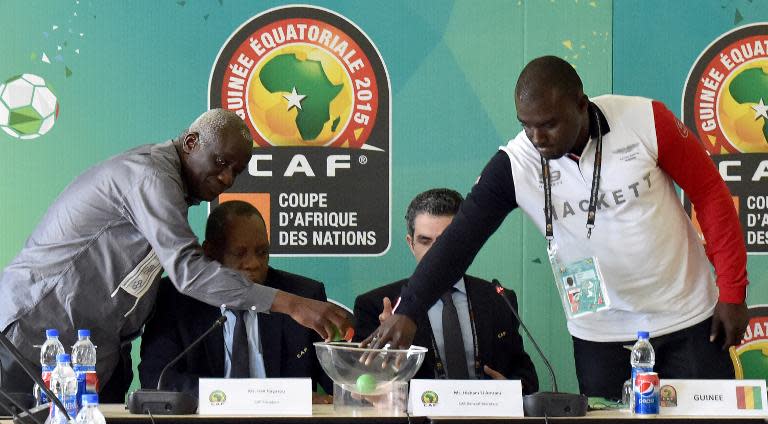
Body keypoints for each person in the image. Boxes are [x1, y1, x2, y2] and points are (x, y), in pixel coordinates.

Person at [365, 56, 749, 399]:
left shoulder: (645, 120)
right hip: (600, 332)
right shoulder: (516, 163)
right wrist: (410, 308)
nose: (537, 138)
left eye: (548, 124)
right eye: (527, 126)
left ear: (581, 105)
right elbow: (460, 240)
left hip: (687, 315)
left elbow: (710, 193)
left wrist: (732, 291)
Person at [0, 109, 351, 402]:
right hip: (29, 338)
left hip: (88, 356)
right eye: (221, 162)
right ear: (191, 142)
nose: (227, 177)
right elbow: (189, 273)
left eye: (237, 170)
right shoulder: (150, 176)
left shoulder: (172, 194)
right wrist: (292, 305)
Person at [139, 201, 333, 403]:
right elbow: (156, 379)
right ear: (210, 253)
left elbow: (338, 382)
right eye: (239, 254)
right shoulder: (174, 299)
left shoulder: (303, 296)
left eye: (262, 252)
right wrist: (248, 398)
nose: (253, 264)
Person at [353, 189, 538, 394]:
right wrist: (388, 351)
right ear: (410, 244)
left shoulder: (498, 299)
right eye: (424, 241)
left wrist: (509, 391)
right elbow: (362, 384)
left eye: (445, 243)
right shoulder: (375, 304)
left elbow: (526, 377)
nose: (436, 254)